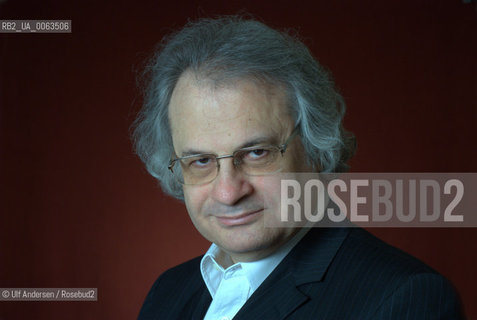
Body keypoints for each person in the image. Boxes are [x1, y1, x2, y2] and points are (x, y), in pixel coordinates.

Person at [133, 16, 463, 319]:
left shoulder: (404, 299)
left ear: (317, 148)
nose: (228, 192)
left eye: (257, 152)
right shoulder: (168, 292)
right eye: (201, 161)